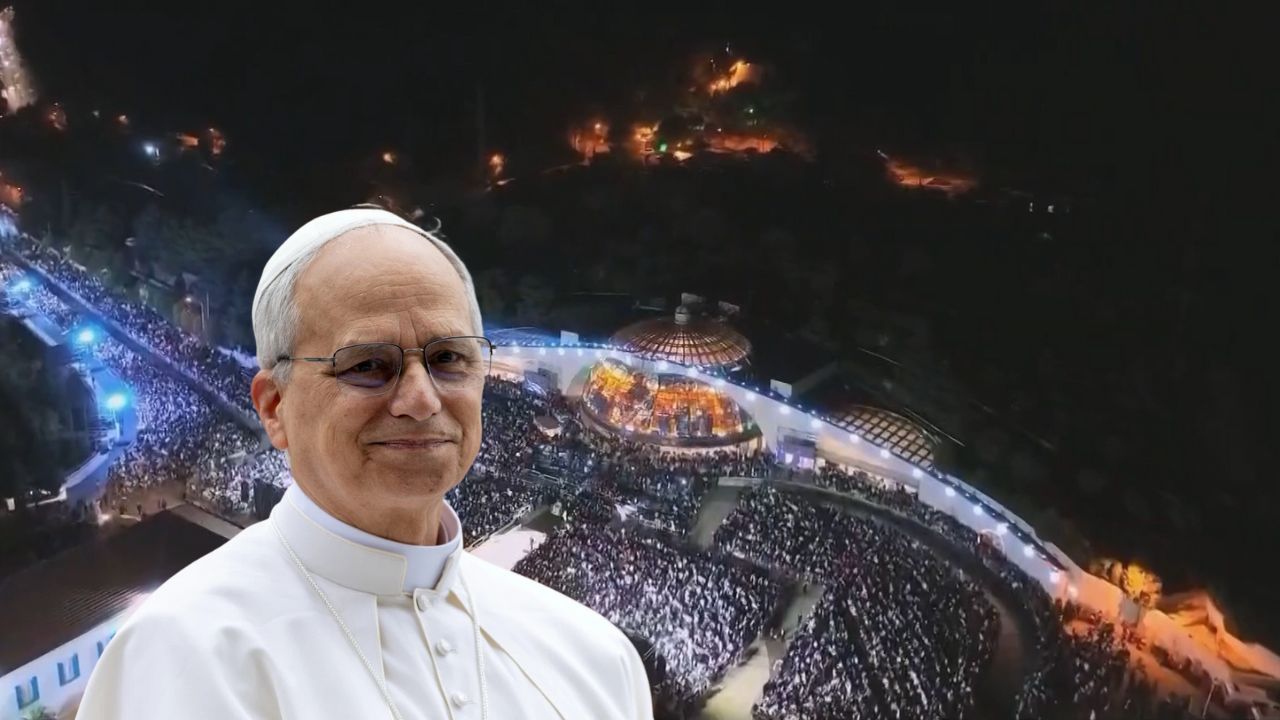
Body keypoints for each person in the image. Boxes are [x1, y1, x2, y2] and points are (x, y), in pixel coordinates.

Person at [77, 207, 654, 720]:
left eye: (448, 358)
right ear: (275, 407)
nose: (421, 399)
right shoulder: (181, 659)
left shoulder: (595, 660)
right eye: (368, 365)